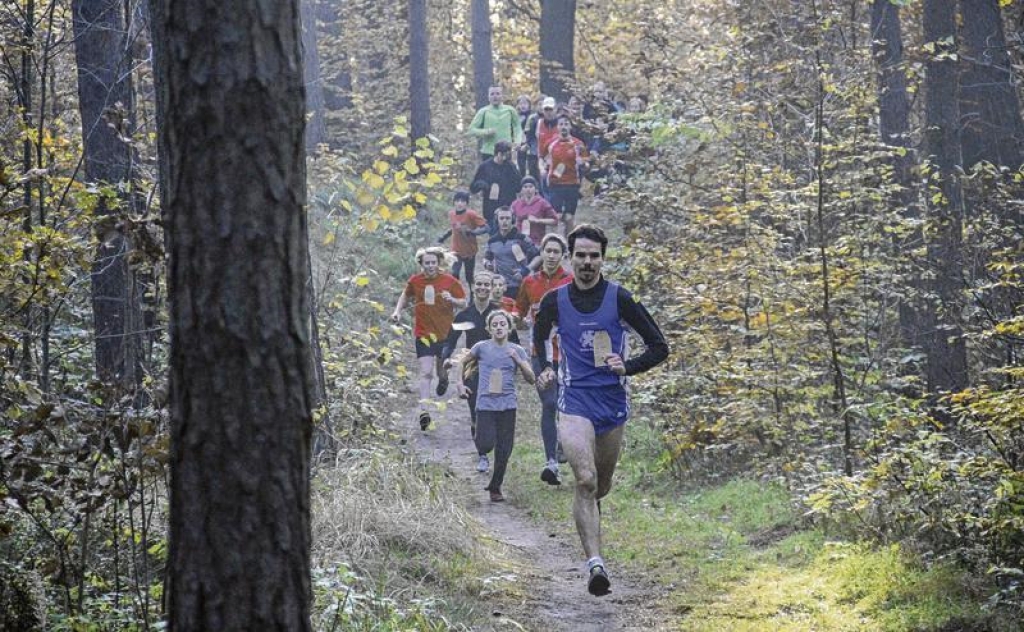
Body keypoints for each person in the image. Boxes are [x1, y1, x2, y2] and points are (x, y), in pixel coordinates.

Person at [533, 224, 668, 596]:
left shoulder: (620, 298)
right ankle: (596, 565)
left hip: (612, 403)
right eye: (581, 255)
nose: (587, 262)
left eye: (594, 256)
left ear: (602, 259)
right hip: (574, 400)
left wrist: (629, 366)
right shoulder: (554, 300)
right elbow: (538, 337)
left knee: (601, 486)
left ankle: (590, 521)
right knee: (585, 479)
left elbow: (659, 347)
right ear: (570, 258)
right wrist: (545, 367)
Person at [454, 309, 535, 502]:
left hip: (508, 405)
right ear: (489, 329)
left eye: (502, 324)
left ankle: (495, 487)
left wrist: (518, 361)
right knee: (485, 443)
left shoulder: (517, 350)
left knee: (504, 450)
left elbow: (531, 378)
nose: (499, 328)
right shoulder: (482, 347)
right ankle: (477, 432)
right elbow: (462, 363)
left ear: (509, 328)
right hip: (485, 405)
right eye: (495, 325)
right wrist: (459, 384)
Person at [515, 233, 573, 485]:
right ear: (541, 253)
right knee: (549, 403)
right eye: (547, 251)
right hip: (540, 353)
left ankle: (564, 442)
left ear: (563, 256)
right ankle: (551, 462)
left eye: (555, 252)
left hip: (569, 354)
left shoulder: (571, 281)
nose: (551, 256)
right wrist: (516, 318)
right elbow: (519, 309)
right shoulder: (529, 282)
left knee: (566, 406)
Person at [391, 246, 468, 431]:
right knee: (426, 372)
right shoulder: (415, 281)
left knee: (441, 372)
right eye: (427, 263)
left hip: (444, 334)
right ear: (421, 264)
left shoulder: (450, 280)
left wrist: (453, 300)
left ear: (439, 263)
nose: (431, 266)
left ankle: (444, 379)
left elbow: (464, 302)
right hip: (423, 334)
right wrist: (397, 311)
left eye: (433, 262)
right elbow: (405, 295)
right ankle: (424, 410)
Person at [440, 272, 498, 455]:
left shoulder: (498, 314)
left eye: (486, 285)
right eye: (479, 284)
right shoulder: (465, 315)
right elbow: (451, 340)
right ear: (473, 287)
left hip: (495, 370)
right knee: (476, 410)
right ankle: (482, 454)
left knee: (493, 409)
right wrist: (446, 358)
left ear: (492, 288)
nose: (482, 288)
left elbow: (513, 343)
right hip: (472, 368)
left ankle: (492, 445)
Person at [541, 115, 589, 235]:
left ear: (570, 126)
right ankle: (555, 242)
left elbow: (586, 163)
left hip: (572, 183)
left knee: (568, 217)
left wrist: (583, 164)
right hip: (555, 184)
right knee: (556, 217)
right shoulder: (550, 143)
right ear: (557, 127)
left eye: (566, 124)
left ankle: (568, 244)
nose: (563, 127)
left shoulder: (578, 144)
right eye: (561, 124)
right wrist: (543, 169)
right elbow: (542, 159)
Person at [484, 206, 541, 300]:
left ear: (513, 219)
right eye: (501, 218)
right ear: (497, 220)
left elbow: (538, 257)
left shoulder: (521, 239)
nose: (504, 221)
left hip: (520, 285)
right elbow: (486, 257)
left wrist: (526, 270)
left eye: (507, 218)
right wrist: (487, 264)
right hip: (500, 286)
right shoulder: (492, 241)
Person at [437, 190, 489, 284]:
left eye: (463, 201)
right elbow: (453, 228)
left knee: (469, 276)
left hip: (469, 250)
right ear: (454, 202)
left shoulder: (471, 214)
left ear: (467, 203)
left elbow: (486, 227)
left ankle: (472, 296)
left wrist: (473, 232)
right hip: (456, 249)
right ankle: (457, 293)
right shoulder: (452, 214)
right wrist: (444, 237)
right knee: (454, 273)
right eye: (457, 201)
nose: (460, 203)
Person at [469, 141, 522, 228]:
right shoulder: (485, 167)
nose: (507, 158)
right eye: (505, 155)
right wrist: (481, 184)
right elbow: (473, 188)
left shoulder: (510, 166)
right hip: (491, 207)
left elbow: (519, 186)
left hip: (507, 206)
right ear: (499, 154)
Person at [466, 85, 524, 162]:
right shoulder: (483, 111)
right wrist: (485, 132)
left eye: (497, 93)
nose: (495, 96)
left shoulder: (510, 110)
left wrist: (518, 141)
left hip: (506, 152)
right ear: (488, 97)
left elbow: (517, 127)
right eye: (492, 94)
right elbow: (470, 130)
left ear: (502, 95)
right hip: (488, 152)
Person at [511, 176, 558, 245]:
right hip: (519, 241)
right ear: (521, 190)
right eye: (525, 187)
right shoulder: (515, 204)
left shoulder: (542, 203)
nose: (528, 189)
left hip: (537, 241)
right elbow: (509, 219)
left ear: (536, 189)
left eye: (531, 186)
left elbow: (555, 221)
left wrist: (537, 220)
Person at [534, 97, 561, 199]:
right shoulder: (538, 123)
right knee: (544, 180)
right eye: (546, 109)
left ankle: (557, 206)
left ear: (555, 109)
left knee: (557, 181)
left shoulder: (561, 123)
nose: (549, 112)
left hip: (560, 161)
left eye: (551, 109)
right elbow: (532, 139)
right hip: (543, 160)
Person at [515, 94, 540, 181]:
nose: (523, 106)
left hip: (530, 144)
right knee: (521, 165)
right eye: (521, 104)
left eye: (525, 103)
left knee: (532, 165)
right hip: (519, 143)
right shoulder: (516, 117)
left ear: (529, 105)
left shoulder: (533, 117)